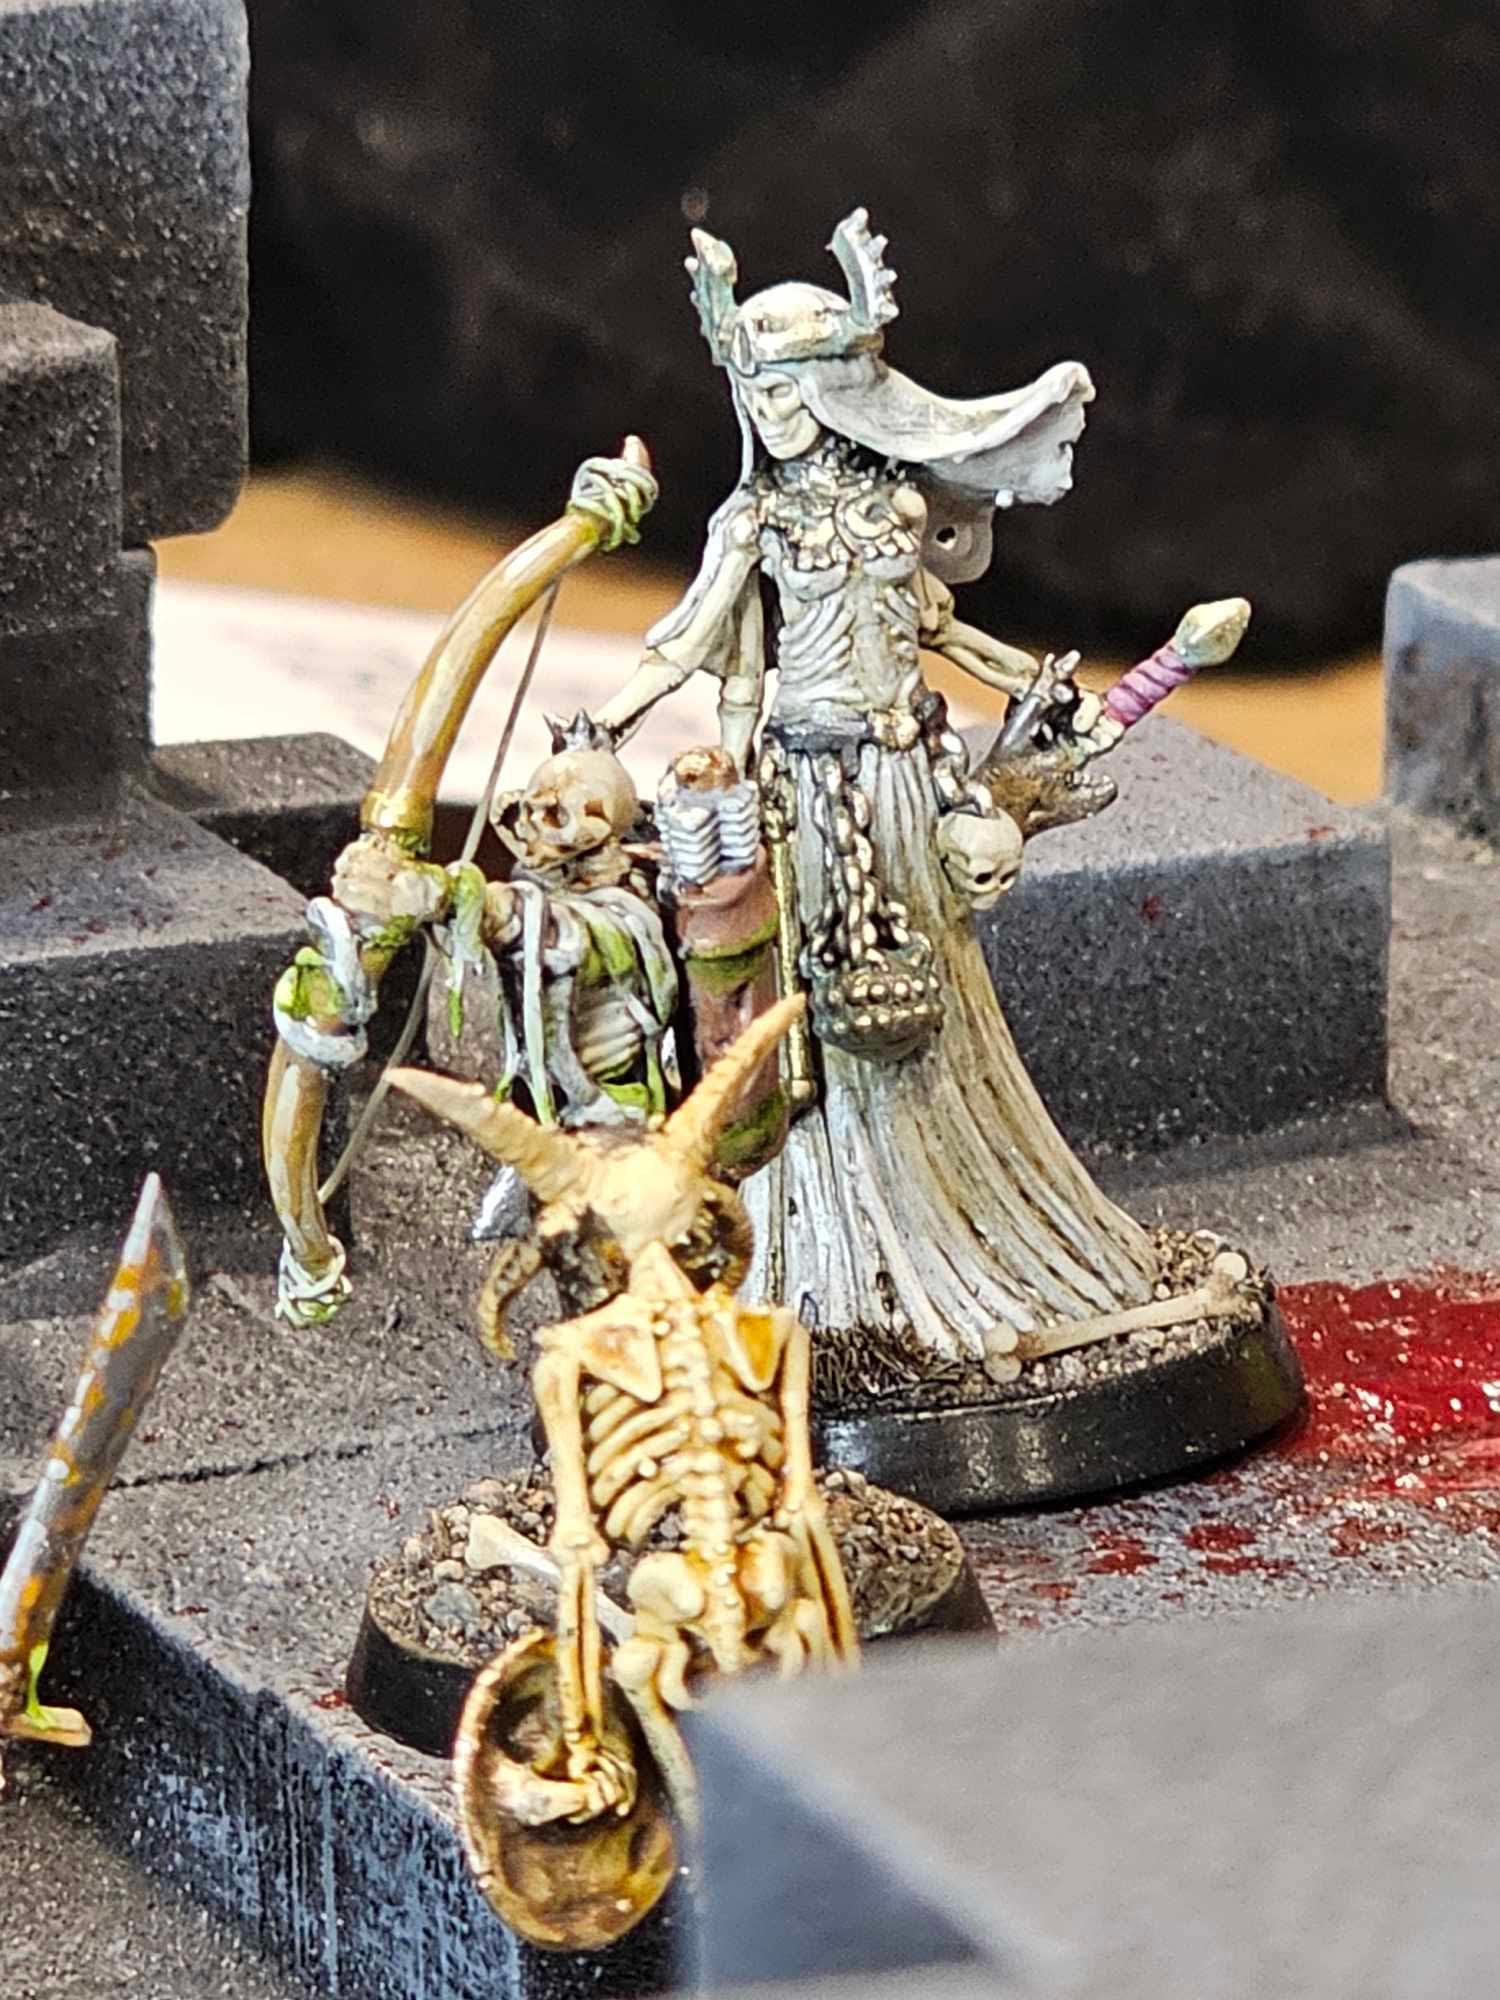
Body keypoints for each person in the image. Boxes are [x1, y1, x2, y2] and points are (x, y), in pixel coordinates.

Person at [591, 209, 1158, 1381]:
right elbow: (692, 641)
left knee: (930, 995)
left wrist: (1034, 681)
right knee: (812, 1016)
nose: (774, 408)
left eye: (790, 384)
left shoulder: (894, 505)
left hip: (906, 773)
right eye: (757, 387)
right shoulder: (754, 518)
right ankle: (819, 1260)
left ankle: (959, 1228)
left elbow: (938, 627)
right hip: (808, 786)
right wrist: (609, 721)